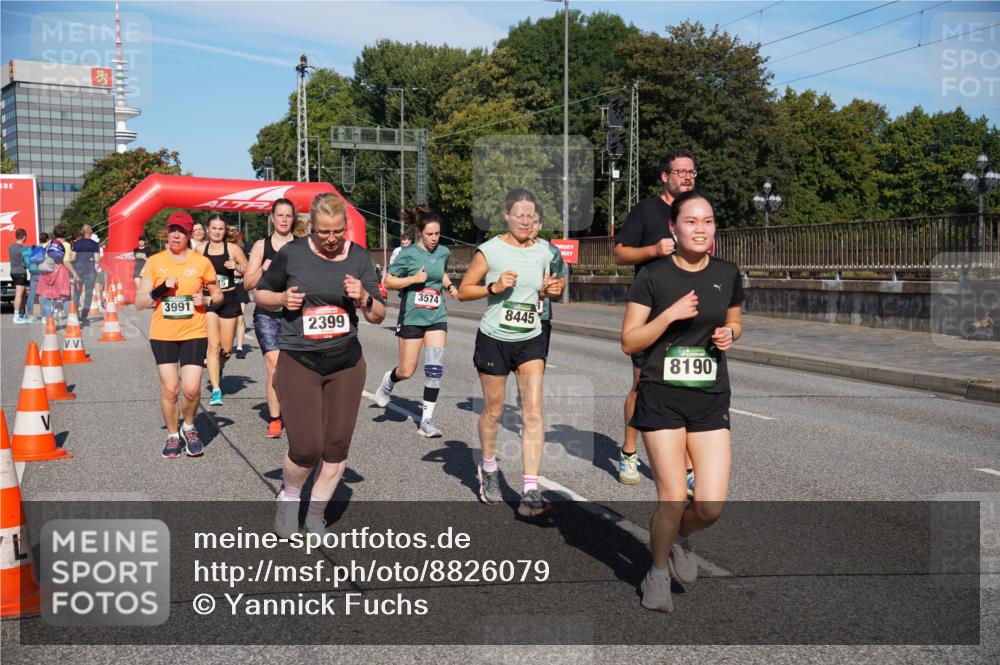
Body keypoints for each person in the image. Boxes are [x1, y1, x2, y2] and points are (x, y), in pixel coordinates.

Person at [620, 190, 742, 612]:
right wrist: (668, 315)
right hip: (660, 397)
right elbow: (629, 341)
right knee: (672, 497)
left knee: (709, 505)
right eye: (691, 222)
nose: (701, 229)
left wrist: (732, 333)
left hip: (709, 396)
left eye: (707, 221)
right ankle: (655, 574)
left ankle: (680, 540)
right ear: (673, 227)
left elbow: (734, 317)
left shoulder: (728, 273)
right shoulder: (652, 276)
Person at [255, 193, 386, 536]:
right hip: (301, 360)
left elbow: (377, 315)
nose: (331, 239)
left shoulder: (358, 257)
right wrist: (282, 298)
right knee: (306, 447)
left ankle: (315, 513)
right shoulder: (293, 254)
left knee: (337, 445)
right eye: (323, 231)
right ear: (311, 226)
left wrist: (364, 296)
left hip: (346, 363)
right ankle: (291, 498)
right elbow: (261, 295)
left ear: (346, 227)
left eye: (338, 231)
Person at [458, 188, 565, 518]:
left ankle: (530, 488)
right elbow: (463, 292)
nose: (525, 220)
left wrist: (551, 291)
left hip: (531, 337)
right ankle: (489, 468)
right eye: (518, 214)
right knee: (494, 410)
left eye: (530, 215)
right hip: (494, 338)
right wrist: (494, 287)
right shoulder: (489, 251)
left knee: (532, 411)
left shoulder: (546, 251)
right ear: (506, 215)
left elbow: (551, 291)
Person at [613, 151, 697, 486]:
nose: (688, 177)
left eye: (692, 172)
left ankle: (688, 468)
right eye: (681, 172)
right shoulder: (647, 210)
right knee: (644, 386)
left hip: (690, 310)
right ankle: (629, 453)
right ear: (665, 176)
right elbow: (619, 253)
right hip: (650, 311)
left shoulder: (696, 211)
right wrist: (652, 251)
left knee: (689, 388)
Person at [135, 211, 222, 459]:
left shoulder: (200, 262)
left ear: (188, 234)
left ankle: (189, 426)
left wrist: (206, 298)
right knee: (171, 389)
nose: (176, 234)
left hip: (194, 331)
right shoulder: (155, 261)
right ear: (168, 232)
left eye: (181, 231)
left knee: (192, 389)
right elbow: (139, 301)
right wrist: (160, 290)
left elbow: (218, 295)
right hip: (163, 333)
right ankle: (173, 435)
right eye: (172, 230)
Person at [374, 205, 459, 437]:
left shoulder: (442, 252)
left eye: (437, 234)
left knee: (434, 368)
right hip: (412, 316)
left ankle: (427, 421)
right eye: (430, 234)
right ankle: (388, 383)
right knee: (407, 370)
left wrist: (449, 286)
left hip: (436, 315)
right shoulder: (408, 254)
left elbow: (439, 271)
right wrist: (413, 279)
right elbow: (389, 282)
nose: (434, 238)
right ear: (420, 232)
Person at [242, 198, 297, 438]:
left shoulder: (302, 245)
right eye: (280, 215)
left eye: (288, 215)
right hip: (266, 314)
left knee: (295, 370)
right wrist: (264, 268)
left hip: (295, 314)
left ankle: (296, 412)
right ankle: (275, 419)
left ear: (293, 219)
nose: (284, 220)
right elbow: (247, 283)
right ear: (272, 218)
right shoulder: (261, 246)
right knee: (275, 366)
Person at [196, 215, 249, 406]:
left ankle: (218, 368)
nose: (217, 232)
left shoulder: (233, 249)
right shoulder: (201, 249)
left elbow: (249, 270)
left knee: (226, 350)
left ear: (224, 230)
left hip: (230, 299)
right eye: (214, 228)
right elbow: (194, 272)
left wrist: (237, 267)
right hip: (209, 301)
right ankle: (216, 390)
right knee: (212, 346)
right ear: (208, 230)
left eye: (220, 228)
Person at [528, 211, 567, 358]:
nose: (531, 226)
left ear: (541, 225)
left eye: (535, 222)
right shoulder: (507, 247)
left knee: (536, 365)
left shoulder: (551, 250)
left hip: (540, 317)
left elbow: (561, 278)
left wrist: (557, 287)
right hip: (510, 315)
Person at [37, 224, 76, 321]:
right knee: (65, 297)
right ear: (64, 234)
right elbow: (66, 261)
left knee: (47, 297)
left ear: (54, 234)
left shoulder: (48, 243)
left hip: (48, 271)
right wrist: (74, 273)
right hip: (60, 273)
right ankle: (71, 321)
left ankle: (49, 321)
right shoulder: (66, 245)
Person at [228, 226, 251, 359]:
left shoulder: (242, 248)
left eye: (235, 231)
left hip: (240, 285)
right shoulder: (222, 249)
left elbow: (248, 269)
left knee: (240, 318)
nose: (233, 233)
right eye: (230, 231)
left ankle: (240, 347)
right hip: (227, 286)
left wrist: (237, 267)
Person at [71, 224, 101, 323]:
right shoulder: (94, 244)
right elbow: (97, 259)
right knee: (88, 294)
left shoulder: (77, 243)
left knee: (77, 293)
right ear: (91, 232)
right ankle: (84, 316)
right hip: (90, 271)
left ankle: (75, 314)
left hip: (78, 271)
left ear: (82, 232)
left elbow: (73, 258)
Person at [23, 232, 49, 322]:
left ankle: (30, 315)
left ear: (39, 239)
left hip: (33, 273)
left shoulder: (33, 248)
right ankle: (43, 316)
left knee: (31, 295)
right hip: (42, 273)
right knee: (43, 294)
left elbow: (27, 261)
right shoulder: (46, 249)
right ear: (47, 239)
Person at [9, 228, 29, 324]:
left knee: (23, 293)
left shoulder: (10, 247)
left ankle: (21, 314)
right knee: (19, 294)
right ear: (24, 237)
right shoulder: (22, 248)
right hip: (20, 272)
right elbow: (25, 262)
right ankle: (16, 316)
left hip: (13, 271)